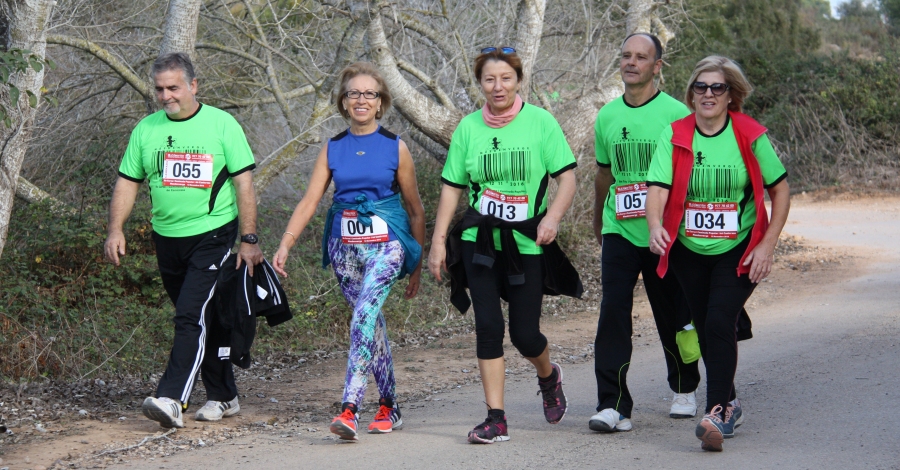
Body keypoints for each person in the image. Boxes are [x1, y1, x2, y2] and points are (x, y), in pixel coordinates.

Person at [428, 47, 581, 444]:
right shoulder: (469, 128)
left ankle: (549, 376)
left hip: (526, 242)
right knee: (488, 327)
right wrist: (438, 241)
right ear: (480, 83)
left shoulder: (540, 123)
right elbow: (452, 187)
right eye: (489, 79)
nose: (498, 87)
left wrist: (553, 218)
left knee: (525, 335)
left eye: (506, 78)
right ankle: (496, 418)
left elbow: (566, 178)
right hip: (479, 241)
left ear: (518, 80)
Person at [104, 52, 263, 428]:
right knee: (203, 317)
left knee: (189, 315)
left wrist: (249, 238)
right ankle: (224, 396)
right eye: (159, 89)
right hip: (167, 239)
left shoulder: (222, 125)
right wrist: (115, 228)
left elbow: (244, 184)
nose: (165, 96)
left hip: (213, 235)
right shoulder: (146, 130)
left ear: (193, 86)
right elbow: (128, 182)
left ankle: (172, 398)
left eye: (173, 87)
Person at [272, 62, 425, 441]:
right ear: (343, 102)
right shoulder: (333, 147)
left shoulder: (395, 146)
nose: (360, 99)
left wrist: (417, 264)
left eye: (369, 94)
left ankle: (350, 407)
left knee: (362, 318)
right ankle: (389, 405)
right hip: (345, 248)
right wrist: (286, 243)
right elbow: (310, 201)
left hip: (387, 243)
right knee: (369, 322)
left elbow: (416, 208)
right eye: (353, 93)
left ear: (380, 102)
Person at [646, 56, 790, 451]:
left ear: (731, 95)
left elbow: (779, 190)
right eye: (700, 87)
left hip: (739, 247)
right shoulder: (675, 134)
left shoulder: (748, 133)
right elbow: (657, 186)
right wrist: (655, 225)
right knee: (707, 323)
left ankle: (717, 411)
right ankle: (730, 400)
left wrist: (768, 243)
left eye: (717, 87)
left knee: (718, 320)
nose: (708, 94)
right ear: (691, 93)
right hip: (688, 249)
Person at [589, 33, 702, 433]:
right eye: (626, 56)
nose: (631, 63)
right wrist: (596, 218)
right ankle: (612, 404)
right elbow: (604, 173)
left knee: (673, 313)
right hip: (619, 228)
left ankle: (685, 387)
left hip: (665, 233)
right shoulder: (606, 116)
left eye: (641, 57)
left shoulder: (677, 115)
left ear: (657, 67)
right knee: (613, 314)